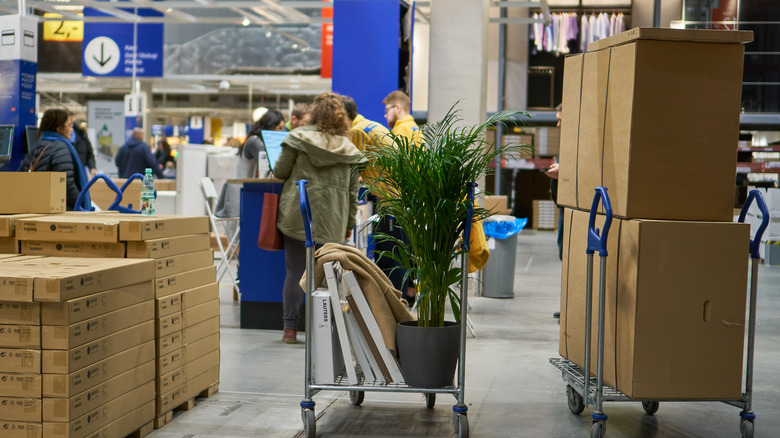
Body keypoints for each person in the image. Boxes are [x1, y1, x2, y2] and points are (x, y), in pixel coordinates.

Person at [274, 92, 363, 344]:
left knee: (294, 271)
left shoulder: (297, 138)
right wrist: (348, 226)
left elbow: (280, 172)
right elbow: (353, 193)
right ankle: (323, 331)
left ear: (314, 113)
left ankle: (290, 330)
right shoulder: (350, 149)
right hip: (333, 220)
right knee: (328, 275)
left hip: (297, 214)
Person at [378, 90, 420, 305]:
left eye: (387, 111)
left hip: (396, 201)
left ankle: (400, 300)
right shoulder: (414, 129)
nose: (385, 116)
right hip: (409, 202)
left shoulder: (401, 131)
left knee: (394, 253)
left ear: (397, 108)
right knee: (405, 251)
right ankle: (409, 294)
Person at [215, 109, 286, 219]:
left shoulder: (255, 140)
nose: (280, 132)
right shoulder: (255, 142)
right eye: (279, 128)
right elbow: (268, 167)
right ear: (271, 125)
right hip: (241, 195)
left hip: (245, 193)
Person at [18, 108, 91, 211]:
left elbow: (21, 175)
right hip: (59, 210)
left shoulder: (37, 147)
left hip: (36, 207)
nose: (72, 130)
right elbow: (67, 185)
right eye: (69, 126)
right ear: (59, 128)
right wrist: (81, 204)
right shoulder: (61, 148)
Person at [547, 104, 563, 319]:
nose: (558, 124)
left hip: (573, 211)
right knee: (563, 256)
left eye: (561, 119)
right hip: (564, 209)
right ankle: (568, 302)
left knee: (567, 256)